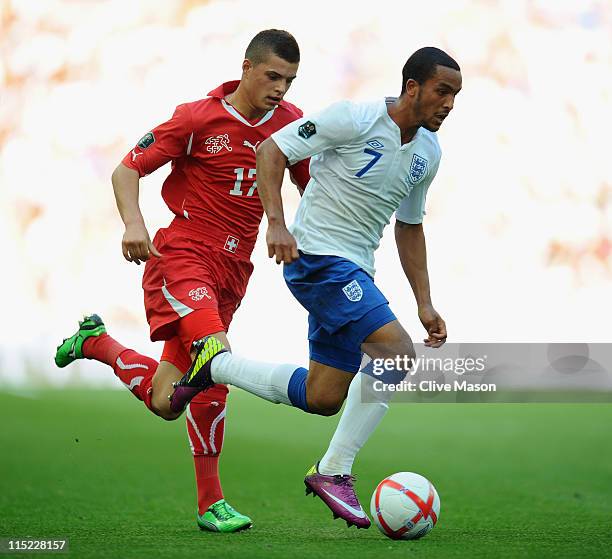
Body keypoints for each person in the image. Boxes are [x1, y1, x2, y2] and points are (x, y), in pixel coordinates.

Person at [168, 47, 461, 529]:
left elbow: (409, 227)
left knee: (323, 397)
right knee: (396, 352)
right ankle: (334, 471)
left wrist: (424, 302)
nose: (449, 103)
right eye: (442, 91)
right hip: (318, 260)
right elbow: (271, 150)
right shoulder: (355, 117)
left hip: (354, 270)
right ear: (413, 87)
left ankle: (215, 364)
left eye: (455, 95)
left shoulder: (427, 153)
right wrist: (278, 224)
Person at [54, 29, 310, 533]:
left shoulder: (291, 125)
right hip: (184, 257)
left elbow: (312, 187)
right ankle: (211, 504)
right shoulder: (197, 117)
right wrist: (134, 223)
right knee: (217, 359)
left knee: (168, 401)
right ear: (246, 67)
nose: (281, 88)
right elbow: (127, 169)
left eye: (290, 80)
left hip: (234, 273)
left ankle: (97, 343)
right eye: (273, 76)